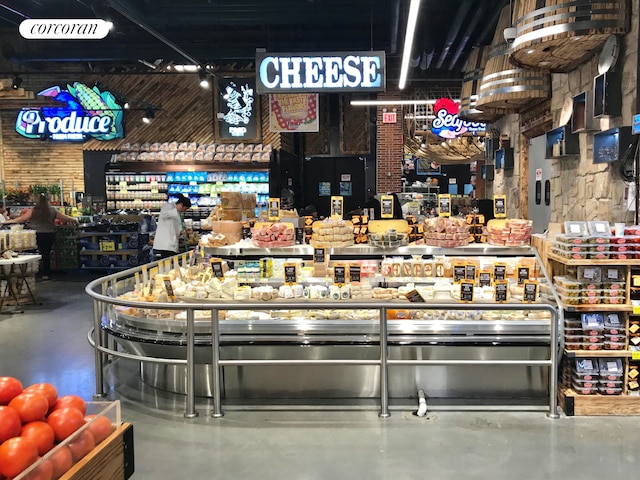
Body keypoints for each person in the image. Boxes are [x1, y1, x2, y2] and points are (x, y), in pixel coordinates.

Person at [4, 195, 79, 279]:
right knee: (46, 254)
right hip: (49, 234)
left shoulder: (33, 210)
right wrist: (74, 219)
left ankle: (32, 271)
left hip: (36, 234)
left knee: (32, 253)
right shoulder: (52, 211)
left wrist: (9, 222)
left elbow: (23, 219)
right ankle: (46, 274)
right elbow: (64, 218)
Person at [153, 194, 191, 259]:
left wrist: (182, 232)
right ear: (181, 205)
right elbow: (164, 215)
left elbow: (176, 226)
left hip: (172, 245)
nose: (185, 211)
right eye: (185, 209)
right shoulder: (167, 206)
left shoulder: (179, 214)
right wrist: (176, 209)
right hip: (164, 245)